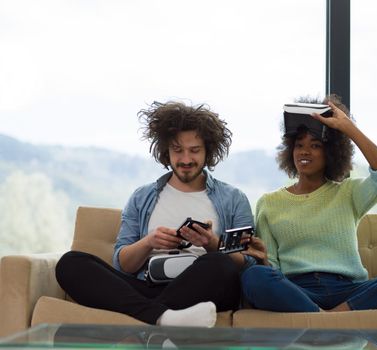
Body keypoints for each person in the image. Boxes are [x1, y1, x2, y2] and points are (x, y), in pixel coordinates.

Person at [56, 100, 254, 327]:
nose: (186, 159)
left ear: (208, 151)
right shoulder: (142, 197)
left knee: (220, 264)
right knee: (70, 263)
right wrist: (149, 242)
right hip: (148, 287)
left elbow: (245, 265)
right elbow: (123, 265)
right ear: (165, 152)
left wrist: (212, 243)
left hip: (205, 289)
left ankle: (150, 317)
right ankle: (164, 318)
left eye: (194, 150)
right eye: (177, 150)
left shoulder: (234, 198)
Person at [241, 94, 377, 313]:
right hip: (298, 291)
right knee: (254, 276)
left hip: (351, 290)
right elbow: (273, 270)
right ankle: (327, 317)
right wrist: (262, 261)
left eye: (315, 145)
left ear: (331, 152)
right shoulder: (270, 203)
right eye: (299, 145)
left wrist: (348, 127)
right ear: (290, 150)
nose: (305, 151)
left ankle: (328, 317)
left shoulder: (349, 193)